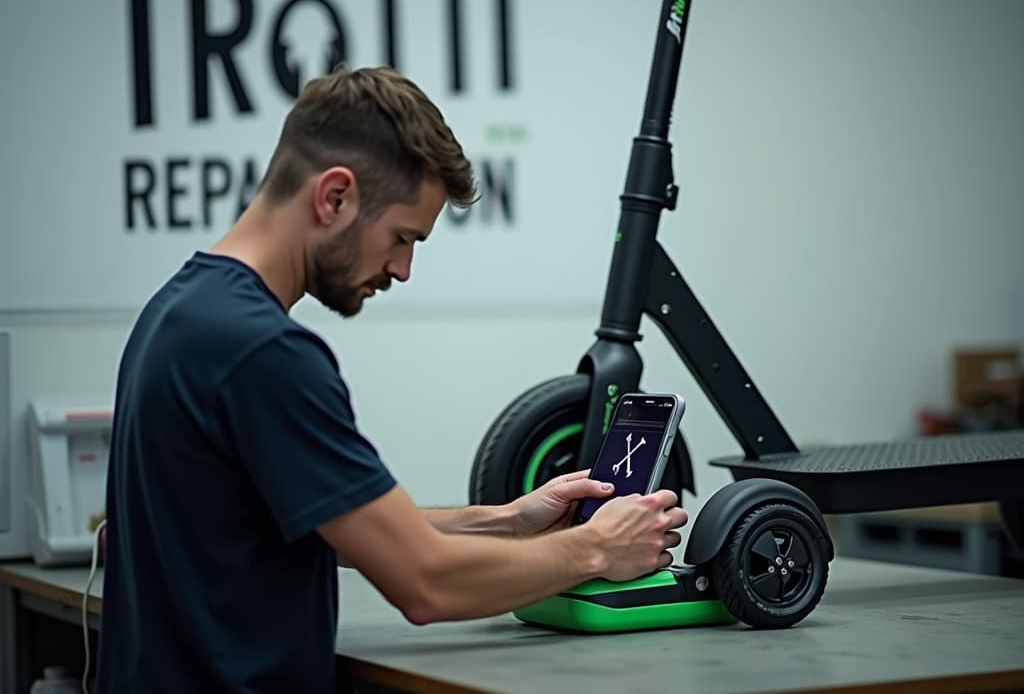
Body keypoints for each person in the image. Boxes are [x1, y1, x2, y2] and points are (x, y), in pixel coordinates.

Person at [96, 65, 689, 693]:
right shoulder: (265, 353)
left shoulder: (180, 314)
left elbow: (342, 531)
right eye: (402, 237)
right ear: (335, 196)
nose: (402, 269)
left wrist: (509, 520)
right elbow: (424, 583)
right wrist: (596, 549)